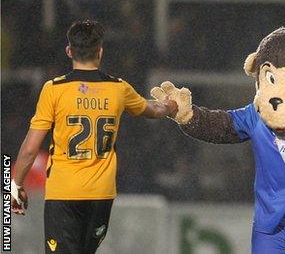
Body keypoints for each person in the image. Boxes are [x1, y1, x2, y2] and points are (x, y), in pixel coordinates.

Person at [10, 19, 177, 254]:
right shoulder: (119, 88)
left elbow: (29, 149)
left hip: (63, 193)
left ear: (69, 51)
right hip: (101, 195)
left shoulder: (54, 89)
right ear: (100, 52)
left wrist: (16, 185)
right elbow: (154, 110)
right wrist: (171, 106)